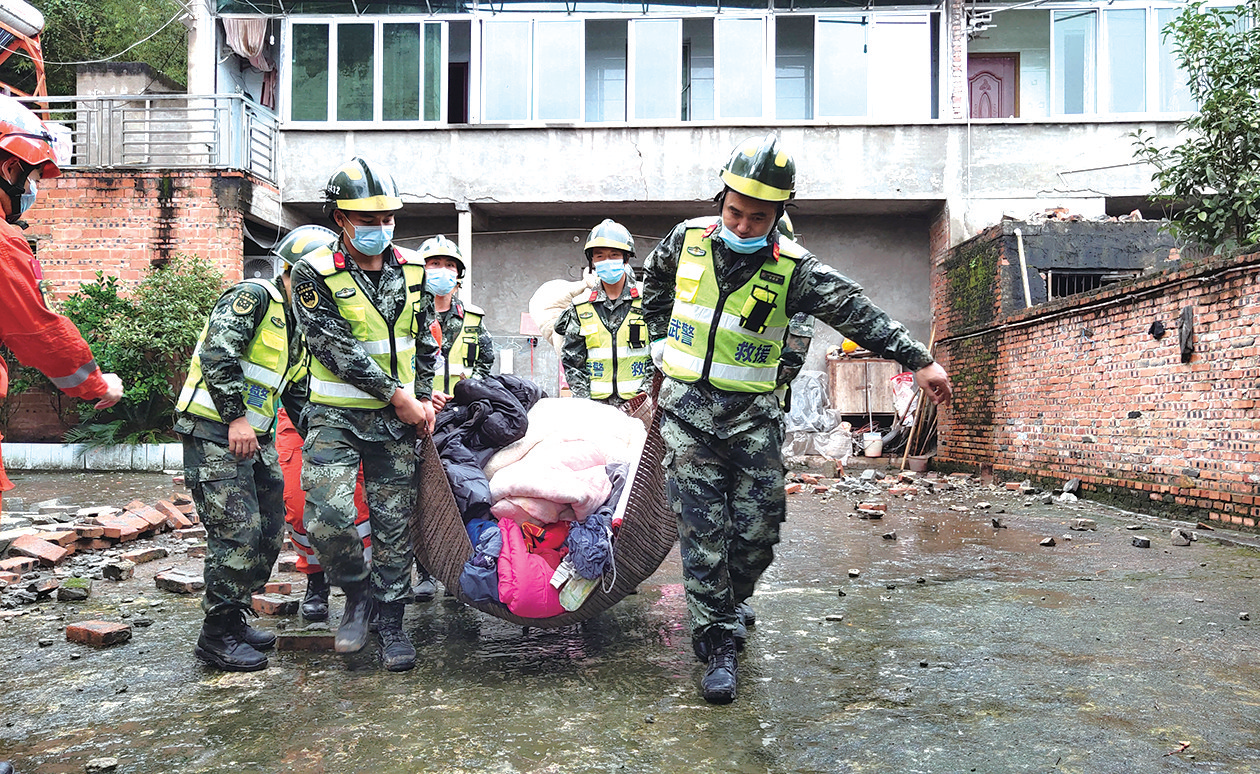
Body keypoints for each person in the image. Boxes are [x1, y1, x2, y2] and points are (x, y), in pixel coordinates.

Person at [641, 134, 953, 704]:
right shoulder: (685, 240)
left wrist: (920, 359)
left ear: (779, 215)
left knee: (756, 531)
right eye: (733, 211)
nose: (741, 225)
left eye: (757, 217)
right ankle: (717, 644)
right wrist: (660, 340)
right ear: (722, 200)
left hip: (751, 418)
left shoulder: (796, 270)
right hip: (686, 414)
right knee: (704, 532)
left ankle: (732, 600)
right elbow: (654, 285)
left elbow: (857, 312)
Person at [289, 156, 438, 672]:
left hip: (395, 427)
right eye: (367, 219)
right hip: (335, 416)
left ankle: (391, 623)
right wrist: (398, 394)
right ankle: (355, 595)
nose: (380, 228)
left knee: (395, 526)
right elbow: (331, 345)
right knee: (328, 516)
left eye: (387, 218)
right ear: (339, 219)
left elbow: (425, 341)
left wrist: (423, 396)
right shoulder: (314, 273)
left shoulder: (414, 269)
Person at [175, 224, 308, 672]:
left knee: (269, 530)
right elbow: (218, 355)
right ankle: (215, 636)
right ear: (290, 272)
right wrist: (234, 417)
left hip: (257, 435)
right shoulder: (253, 298)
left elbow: (293, 391)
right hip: (215, 429)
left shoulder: (299, 324)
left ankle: (233, 615)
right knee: (236, 531)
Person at [0, 95, 124, 515]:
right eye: (31, 175)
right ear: (8, 168)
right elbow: (36, 331)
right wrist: (97, 385)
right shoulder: (2, 243)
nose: (32, 189)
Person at [261, 225, 374, 622]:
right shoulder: (275, 315)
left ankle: (362, 587)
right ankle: (316, 580)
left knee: (353, 508)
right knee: (296, 506)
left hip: (345, 418)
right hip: (295, 420)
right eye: (296, 274)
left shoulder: (346, 309)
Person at [410, 233, 494, 600]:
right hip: (416, 416)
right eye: (433, 264)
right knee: (420, 493)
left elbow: (487, 373)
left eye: (448, 266)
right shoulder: (407, 315)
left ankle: (457, 566)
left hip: (459, 422)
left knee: (460, 491)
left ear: (458, 275)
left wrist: (464, 393)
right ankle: (425, 569)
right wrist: (421, 396)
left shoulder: (474, 321)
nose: (441, 272)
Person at [557, 219, 653, 406]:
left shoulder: (648, 299)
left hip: (640, 404)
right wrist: (585, 403)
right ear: (592, 261)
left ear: (626, 258)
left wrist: (644, 397)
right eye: (599, 256)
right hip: (596, 406)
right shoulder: (581, 306)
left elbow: (660, 353)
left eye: (614, 255)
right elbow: (572, 360)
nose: (606, 261)